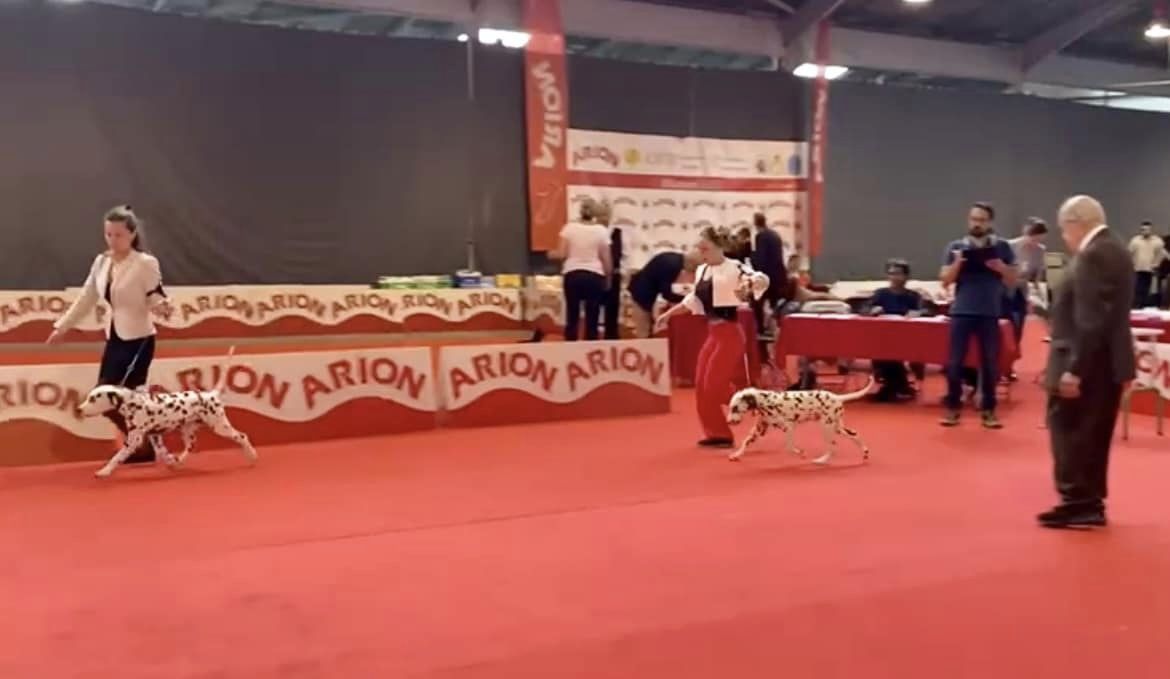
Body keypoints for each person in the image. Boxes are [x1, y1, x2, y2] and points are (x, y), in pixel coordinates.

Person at [48, 206, 172, 464]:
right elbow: (86, 297)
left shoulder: (145, 263)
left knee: (120, 398)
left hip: (139, 339)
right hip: (114, 337)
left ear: (132, 234)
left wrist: (162, 307)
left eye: (118, 235)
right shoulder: (101, 262)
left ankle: (143, 443)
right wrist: (62, 327)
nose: (112, 240)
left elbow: (154, 295)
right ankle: (143, 442)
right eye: (108, 234)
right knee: (108, 396)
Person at [1039, 195, 1134, 529]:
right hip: (1102, 361)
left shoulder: (1094, 254)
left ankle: (1079, 500)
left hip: (1087, 362)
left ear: (1075, 223)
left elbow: (1092, 320)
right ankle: (1086, 501)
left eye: (1064, 229)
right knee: (1090, 434)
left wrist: (1074, 370)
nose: (1064, 237)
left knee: (1072, 432)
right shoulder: (1114, 249)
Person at [654, 226, 769, 449]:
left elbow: (760, 279)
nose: (701, 252)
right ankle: (718, 434)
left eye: (705, 248)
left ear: (719, 247)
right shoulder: (702, 270)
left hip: (730, 334)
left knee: (714, 385)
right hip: (713, 334)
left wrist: (751, 284)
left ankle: (752, 402)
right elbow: (693, 300)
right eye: (699, 248)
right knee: (702, 386)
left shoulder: (735, 267)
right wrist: (668, 315)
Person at [939, 202, 1017, 429]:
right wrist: (957, 264)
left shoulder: (1002, 247)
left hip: (989, 312)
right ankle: (953, 408)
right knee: (954, 363)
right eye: (974, 219)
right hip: (962, 311)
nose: (977, 224)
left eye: (981, 220)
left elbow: (1013, 280)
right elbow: (945, 280)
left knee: (990, 364)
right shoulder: (955, 246)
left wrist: (1000, 267)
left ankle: (989, 411)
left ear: (989, 222)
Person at [550, 199, 612, 341]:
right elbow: (607, 260)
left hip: (573, 274)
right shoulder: (601, 231)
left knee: (572, 314)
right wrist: (608, 279)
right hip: (594, 276)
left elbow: (561, 254)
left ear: (580, 211)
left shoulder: (569, 228)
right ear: (595, 213)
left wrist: (550, 254)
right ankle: (591, 345)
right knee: (593, 316)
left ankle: (570, 344)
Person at [867, 259, 923, 402]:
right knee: (882, 350)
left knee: (893, 351)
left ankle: (894, 388)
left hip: (908, 338)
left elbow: (927, 311)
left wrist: (918, 313)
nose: (894, 277)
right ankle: (898, 387)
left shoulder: (913, 296)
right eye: (891, 274)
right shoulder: (880, 294)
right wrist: (872, 310)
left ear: (906, 276)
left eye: (898, 274)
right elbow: (864, 309)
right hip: (883, 338)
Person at [1005, 218, 1049, 379]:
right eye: (1033, 238)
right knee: (1006, 329)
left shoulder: (1040, 251)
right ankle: (999, 366)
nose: (1035, 242)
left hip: (1022, 292)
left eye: (1039, 239)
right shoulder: (1010, 246)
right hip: (1005, 292)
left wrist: (1038, 297)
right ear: (1027, 233)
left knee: (1018, 328)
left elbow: (1036, 277)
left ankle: (1009, 366)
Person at [627, 250, 700, 339]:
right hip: (641, 295)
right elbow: (667, 293)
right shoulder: (671, 266)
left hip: (653, 293)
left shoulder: (680, 263)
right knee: (644, 332)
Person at [748, 212, 787, 342]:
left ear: (755, 223)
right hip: (778, 275)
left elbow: (761, 258)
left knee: (756, 300)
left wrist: (752, 261)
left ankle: (761, 330)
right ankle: (776, 330)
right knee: (774, 304)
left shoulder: (761, 236)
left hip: (767, 276)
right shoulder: (775, 235)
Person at [599, 201, 626, 341]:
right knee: (594, 308)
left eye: (605, 214)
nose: (603, 218)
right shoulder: (594, 232)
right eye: (600, 215)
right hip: (596, 274)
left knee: (612, 309)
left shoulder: (617, 233)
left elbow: (621, 255)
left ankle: (611, 337)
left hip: (614, 274)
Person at [1128, 221, 1165, 309]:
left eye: (1147, 229)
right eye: (1143, 229)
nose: (1145, 231)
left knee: (1146, 289)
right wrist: (1131, 264)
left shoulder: (1157, 241)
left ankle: (1142, 306)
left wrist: (1156, 264)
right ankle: (1136, 306)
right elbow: (1129, 253)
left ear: (1151, 230)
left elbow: (1162, 254)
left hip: (1149, 269)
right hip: (1137, 268)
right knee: (1137, 288)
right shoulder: (1135, 241)